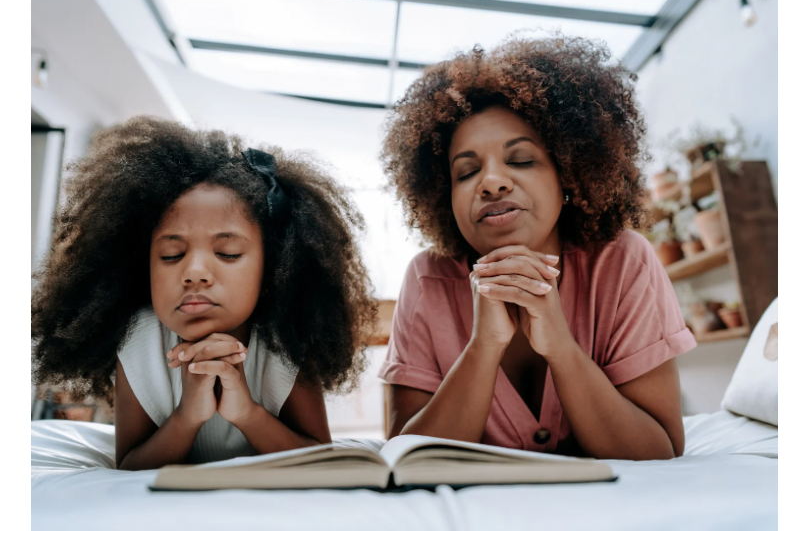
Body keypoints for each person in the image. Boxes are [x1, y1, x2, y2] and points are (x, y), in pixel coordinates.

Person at [379, 34, 696, 460]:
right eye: (467, 171)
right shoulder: (427, 278)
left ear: (567, 176)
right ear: (443, 196)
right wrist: (483, 347)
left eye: (522, 160)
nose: (491, 182)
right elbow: (403, 458)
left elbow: (658, 452)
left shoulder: (623, 261)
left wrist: (561, 348)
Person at [32, 116, 376, 470]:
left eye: (227, 253)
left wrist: (247, 413)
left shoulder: (286, 337)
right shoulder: (139, 337)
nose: (194, 272)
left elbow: (319, 459)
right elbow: (130, 466)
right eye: (171, 255)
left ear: (273, 269)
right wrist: (187, 415)